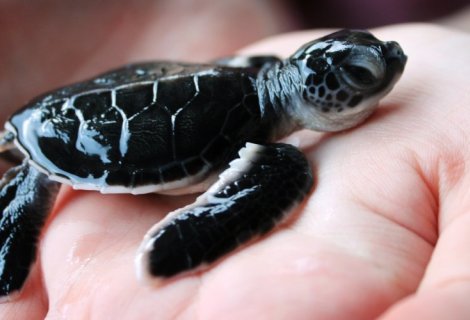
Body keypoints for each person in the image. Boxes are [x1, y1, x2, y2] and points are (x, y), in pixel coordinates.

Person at [1, 4, 470, 320]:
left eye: (377, 55)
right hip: (65, 131)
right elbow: (250, 191)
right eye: (364, 74)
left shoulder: (258, 70)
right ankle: (33, 174)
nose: (395, 61)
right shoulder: (275, 150)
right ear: (318, 96)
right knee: (287, 173)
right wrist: (187, 244)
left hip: (72, 101)